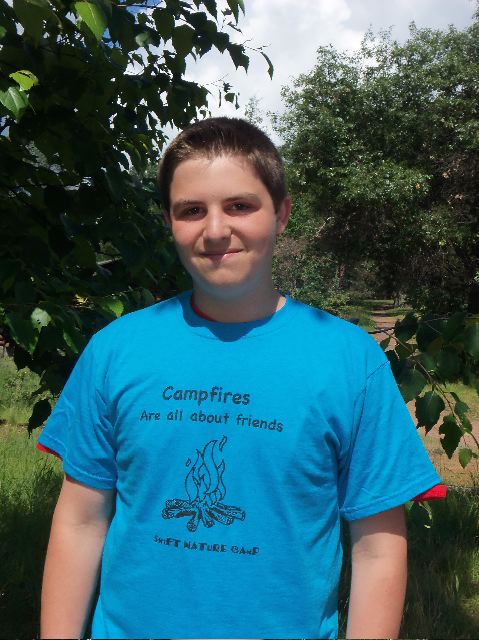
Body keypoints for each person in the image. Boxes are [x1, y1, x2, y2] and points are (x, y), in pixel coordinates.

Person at [38, 117, 445, 639]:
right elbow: (81, 522)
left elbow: (378, 547)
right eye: (191, 210)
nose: (214, 231)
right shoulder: (116, 350)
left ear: (282, 214)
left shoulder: (348, 360)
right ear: (169, 222)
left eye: (239, 206)